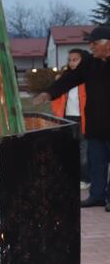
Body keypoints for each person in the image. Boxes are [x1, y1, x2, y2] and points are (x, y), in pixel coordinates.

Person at [34, 26, 110, 210]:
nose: (91, 47)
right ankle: (97, 196)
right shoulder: (89, 63)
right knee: (96, 164)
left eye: (94, 43)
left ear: (108, 43)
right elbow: (69, 79)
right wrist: (48, 93)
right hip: (95, 125)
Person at [51, 49, 91, 188]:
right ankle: (70, 176)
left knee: (84, 150)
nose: (71, 63)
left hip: (83, 119)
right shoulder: (65, 78)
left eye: (75, 60)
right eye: (70, 60)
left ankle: (85, 179)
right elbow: (56, 100)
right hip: (67, 119)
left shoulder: (88, 79)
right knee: (68, 149)